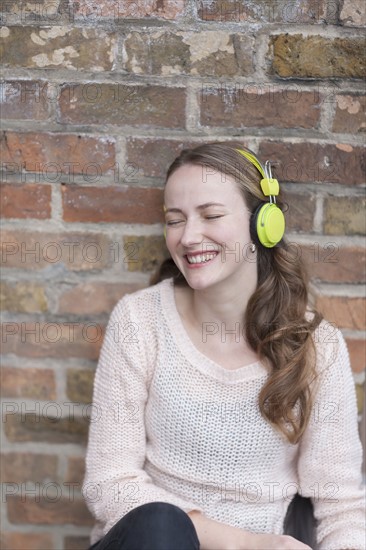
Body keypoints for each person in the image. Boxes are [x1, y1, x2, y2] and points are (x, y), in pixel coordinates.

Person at [82, 142, 365, 550]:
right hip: (153, 542)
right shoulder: (139, 321)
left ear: (262, 225)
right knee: (163, 526)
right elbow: (109, 483)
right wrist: (246, 542)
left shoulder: (316, 346)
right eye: (174, 220)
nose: (189, 236)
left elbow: (341, 509)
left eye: (211, 215)